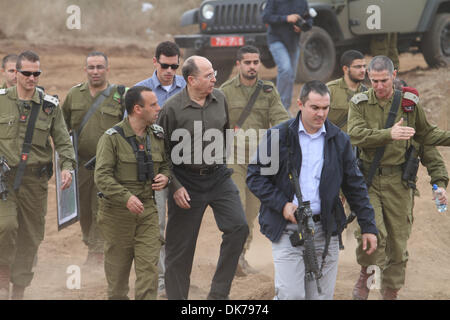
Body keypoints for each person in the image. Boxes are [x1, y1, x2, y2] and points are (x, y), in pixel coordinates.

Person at [247, 80, 378, 300]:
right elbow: (255, 176)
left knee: (319, 297)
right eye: (315, 108)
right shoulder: (278, 136)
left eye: (325, 108)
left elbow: (355, 186)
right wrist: (283, 205)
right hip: (288, 229)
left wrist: (368, 226)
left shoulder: (340, 140)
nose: (321, 114)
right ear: (300, 104)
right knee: (292, 296)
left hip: (326, 231)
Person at [347, 55, 450, 300]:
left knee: (397, 244)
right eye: (374, 81)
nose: (379, 86)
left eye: (383, 80)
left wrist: (440, 184)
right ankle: (367, 276)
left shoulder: (409, 105)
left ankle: (390, 293)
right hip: (369, 181)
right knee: (373, 234)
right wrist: (388, 134)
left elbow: (427, 137)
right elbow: (355, 135)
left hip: (399, 185)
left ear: (393, 76)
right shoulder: (359, 103)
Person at [158, 56, 249, 300]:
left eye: (214, 73)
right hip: (185, 181)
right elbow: (161, 154)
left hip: (218, 177)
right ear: (191, 80)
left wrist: (220, 162)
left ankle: (218, 296)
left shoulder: (220, 99)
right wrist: (174, 186)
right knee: (180, 250)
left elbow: (226, 133)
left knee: (239, 227)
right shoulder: (171, 109)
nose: (214, 79)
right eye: (208, 75)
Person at [0, 50, 76, 300]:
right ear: (15, 73)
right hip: (5, 180)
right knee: (6, 225)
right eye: (27, 73)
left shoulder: (49, 106)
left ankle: (18, 289)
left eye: (36, 73)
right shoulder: (1, 100)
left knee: (30, 237)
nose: (32, 78)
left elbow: (64, 141)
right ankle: (2, 274)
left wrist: (67, 166)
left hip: (35, 182)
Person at [94, 86, 171, 300]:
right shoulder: (111, 139)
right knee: (117, 282)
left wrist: (166, 177)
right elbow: (102, 177)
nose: (159, 108)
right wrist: (126, 197)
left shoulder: (157, 135)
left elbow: (165, 164)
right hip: (117, 215)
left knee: (149, 271)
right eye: (153, 105)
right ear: (137, 109)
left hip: (147, 212)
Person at [220, 45, 290, 276]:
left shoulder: (269, 90)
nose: (252, 66)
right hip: (234, 159)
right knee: (237, 209)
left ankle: (241, 254)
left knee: (251, 213)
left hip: (260, 162)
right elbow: (216, 124)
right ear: (238, 64)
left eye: (255, 62)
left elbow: (280, 120)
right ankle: (233, 258)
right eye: (247, 62)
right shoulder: (225, 91)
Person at [61, 51, 126, 265]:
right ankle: (92, 246)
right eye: (91, 67)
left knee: (101, 207)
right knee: (84, 210)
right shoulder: (74, 95)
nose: (95, 71)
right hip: (82, 164)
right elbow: (62, 129)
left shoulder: (120, 95)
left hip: (108, 165)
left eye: (100, 67)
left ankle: (98, 255)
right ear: (85, 70)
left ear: (108, 69)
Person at [134, 41, 186, 296]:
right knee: (157, 225)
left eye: (174, 66)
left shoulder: (189, 88)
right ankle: (162, 281)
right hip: (154, 169)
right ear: (154, 62)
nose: (169, 70)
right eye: (164, 65)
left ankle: (177, 277)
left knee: (182, 226)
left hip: (185, 169)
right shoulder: (140, 91)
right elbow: (131, 131)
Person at [262, 0, 313, 113]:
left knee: (290, 76)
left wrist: (302, 27)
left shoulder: (302, 2)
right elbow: (265, 17)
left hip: (293, 42)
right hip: (276, 40)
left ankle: (284, 109)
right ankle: (279, 107)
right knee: (285, 69)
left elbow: (308, 20)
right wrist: (286, 18)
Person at [327, 50, 367, 133]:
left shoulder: (367, 93)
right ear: (345, 69)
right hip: (335, 142)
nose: (363, 70)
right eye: (358, 67)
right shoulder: (330, 90)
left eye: (364, 66)